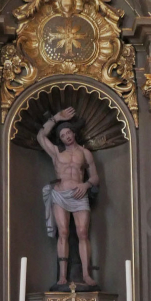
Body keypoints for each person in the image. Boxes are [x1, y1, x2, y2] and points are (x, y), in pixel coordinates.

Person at [37, 106, 99, 287]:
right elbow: (41, 137)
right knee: (63, 232)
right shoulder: (56, 152)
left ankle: (86, 274)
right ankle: (62, 276)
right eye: (63, 135)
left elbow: (95, 177)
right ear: (60, 138)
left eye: (69, 133)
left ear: (74, 133)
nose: (67, 137)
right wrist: (56, 118)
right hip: (60, 195)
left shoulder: (85, 152)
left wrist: (85, 184)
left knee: (82, 233)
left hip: (79, 194)